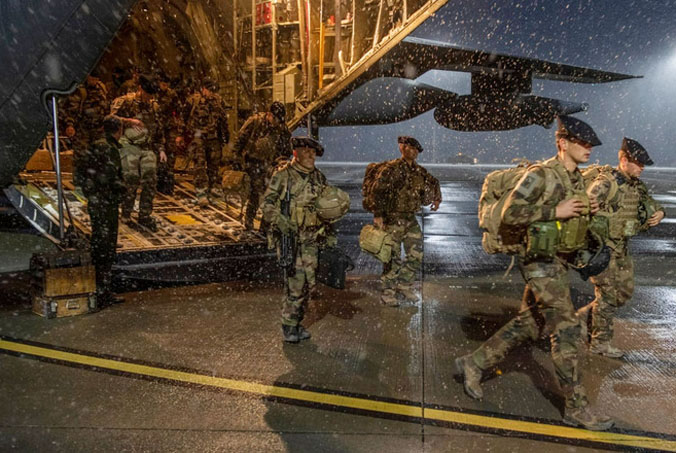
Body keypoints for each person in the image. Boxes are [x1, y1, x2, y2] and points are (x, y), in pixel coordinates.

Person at [455, 116, 614, 431]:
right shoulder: (540, 175)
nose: (589, 148)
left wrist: (587, 210)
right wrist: (555, 211)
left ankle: (473, 363)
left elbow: (571, 215)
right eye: (582, 143)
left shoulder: (577, 179)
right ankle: (576, 408)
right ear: (562, 143)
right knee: (566, 329)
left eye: (590, 144)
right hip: (538, 261)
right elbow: (510, 213)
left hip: (558, 261)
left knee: (533, 323)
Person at [578, 138, 666, 358]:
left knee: (623, 293)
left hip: (622, 247)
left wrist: (660, 213)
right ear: (624, 160)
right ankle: (600, 343)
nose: (642, 167)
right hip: (603, 249)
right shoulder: (607, 182)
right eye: (637, 163)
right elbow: (583, 203)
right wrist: (590, 209)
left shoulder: (636, 184)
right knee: (608, 295)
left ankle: (580, 318)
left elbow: (652, 203)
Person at [261, 137, 336, 343]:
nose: (311, 156)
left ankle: (297, 321)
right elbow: (267, 205)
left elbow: (326, 206)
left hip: (312, 238)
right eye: (307, 152)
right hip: (291, 238)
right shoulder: (283, 176)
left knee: (309, 284)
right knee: (295, 282)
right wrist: (281, 222)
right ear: (296, 153)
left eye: (313, 153)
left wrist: (330, 233)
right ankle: (289, 325)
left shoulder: (318, 177)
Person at [370, 136, 441, 306]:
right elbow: (377, 191)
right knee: (391, 258)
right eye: (411, 148)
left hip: (410, 218)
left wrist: (437, 198)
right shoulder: (391, 169)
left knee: (416, 254)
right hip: (392, 219)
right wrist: (378, 215)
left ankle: (403, 285)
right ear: (402, 148)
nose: (415, 152)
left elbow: (434, 182)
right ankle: (388, 292)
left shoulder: (419, 171)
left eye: (417, 150)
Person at [110, 74, 166, 231]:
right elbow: (109, 119)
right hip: (128, 144)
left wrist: (161, 149)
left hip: (146, 147)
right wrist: (129, 121)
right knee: (131, 178)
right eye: (147, 94)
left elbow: (158, 130)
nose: (149, 98)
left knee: (150, 177)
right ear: (140, 89)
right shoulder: (125, 101)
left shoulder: (154, 106)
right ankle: (126, 212)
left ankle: (145, 214)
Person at [82, 115, 126, 308]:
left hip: (95, 200)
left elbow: (86, 172)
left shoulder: (96, 144)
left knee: (99, 242)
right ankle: (102, 292)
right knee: (105, 247)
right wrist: (124, 187)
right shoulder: (110, 148)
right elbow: (109, 176)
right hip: (106, 202)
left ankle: (97, 289)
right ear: (119, 130)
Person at [234, 102, 292, 229]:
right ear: (269, 115)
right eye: (276, 119)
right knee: (256, 192)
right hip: (252, 162)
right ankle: (249, 218)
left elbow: (287, 149)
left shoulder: (282, 128)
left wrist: (282, 161)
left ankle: (265, 225)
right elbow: (240, 139)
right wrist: (237, 159)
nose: (277, 123)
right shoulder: (255, 121)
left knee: (270, 194)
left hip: (270, 164)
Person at [59, 69, 109, 188]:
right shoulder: (80, 90)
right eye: (92, 79)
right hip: (83, 129)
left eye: (96, 79)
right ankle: (79, 184)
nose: (94, 81)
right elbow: (73, 109)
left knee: (98, 156)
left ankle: (95, 183)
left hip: (98, 129)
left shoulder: (101, 88)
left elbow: (106, 105)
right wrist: (70, 125)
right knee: (81, 157)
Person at [184, 78, 230, 206]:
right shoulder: (193, 101)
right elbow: (185, 117)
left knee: (213, 167)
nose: (211, 93)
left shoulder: (218, 101)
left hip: (213, 138)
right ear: (203, 88)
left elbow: (222, 119)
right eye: (209, 90)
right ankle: (201, 193)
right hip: (199, 138)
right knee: (199, 165)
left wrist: (225, 136)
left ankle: (209, 191)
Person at [155, 72, 185, 195]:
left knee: (171, 154)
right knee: (157, 154)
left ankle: (168, 184)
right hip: (156, 127)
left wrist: (180, 132)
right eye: (163, 84)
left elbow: (179, 112)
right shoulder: (154, 93)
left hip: (169, 128)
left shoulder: (172, 94)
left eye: (166, 84)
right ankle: (158, 182)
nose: (165, 86)